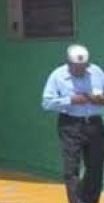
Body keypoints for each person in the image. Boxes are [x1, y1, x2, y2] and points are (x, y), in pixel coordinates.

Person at [42, 44, 104, 203]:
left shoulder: (97, 72)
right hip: (70, 125)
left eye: (84, 67)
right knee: (71, 168)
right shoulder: (57, 76)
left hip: (94, 124)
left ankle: (90, 200)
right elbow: (47, 102)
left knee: (95, 166)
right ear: (68, 63)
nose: (80, 71)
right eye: (76, 67)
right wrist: (70, 100)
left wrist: (100, 100)